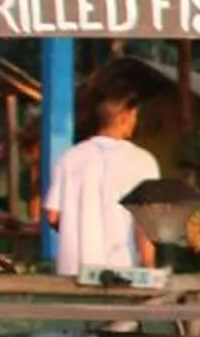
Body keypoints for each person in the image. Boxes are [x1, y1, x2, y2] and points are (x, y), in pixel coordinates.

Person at [46, 70, 161, 277]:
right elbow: (145, 224)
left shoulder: (69, 158)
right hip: (122, 272)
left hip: (73, 274)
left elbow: (53, 215)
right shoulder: (143, 162)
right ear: (126, 117)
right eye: (135, 116)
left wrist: (78, 230)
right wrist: (149, 268)